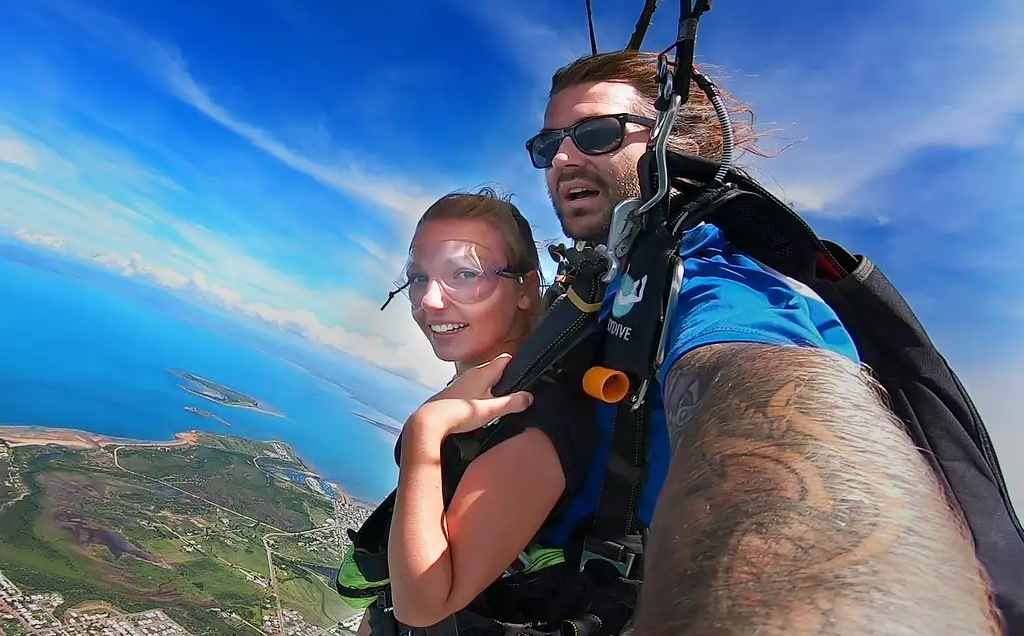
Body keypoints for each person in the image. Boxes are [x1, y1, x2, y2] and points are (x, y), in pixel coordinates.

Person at [522, 51, 1003, 635]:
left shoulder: (720, 281)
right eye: (548, 147)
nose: (564, 158)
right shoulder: (616, 276)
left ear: (680, 146)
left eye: (596, 134)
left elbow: (763, 394)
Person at [348, 188, 602, 635]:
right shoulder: (490, 389)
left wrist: (424, 432)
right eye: (419, 278)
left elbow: (425, 604)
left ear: (525, 287)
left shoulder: (533, 419)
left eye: (464, 274)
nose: (428, 301)